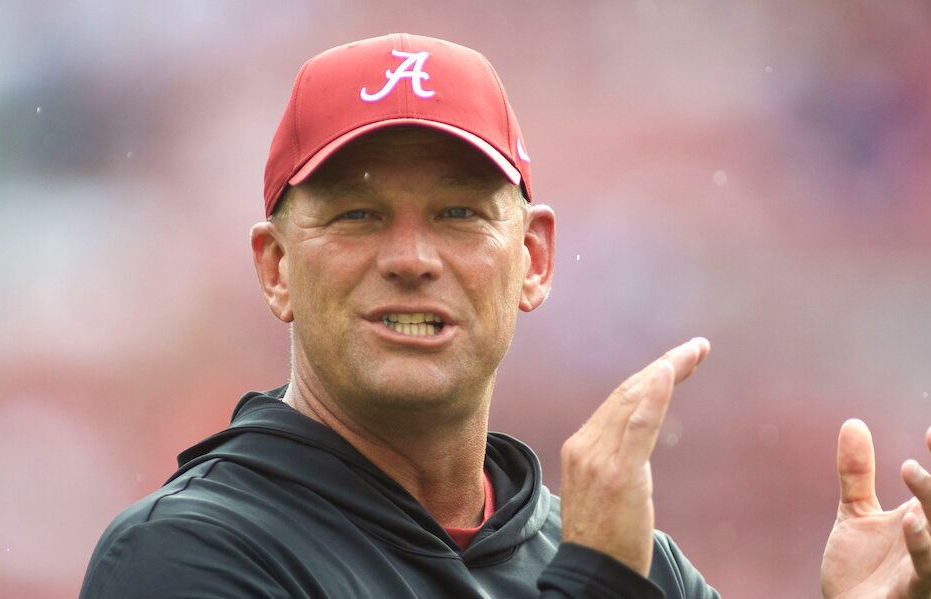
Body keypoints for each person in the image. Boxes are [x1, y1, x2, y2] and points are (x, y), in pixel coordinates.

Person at [79, 33, 931, 598]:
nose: (411, 257)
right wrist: (596, 578)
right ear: (276, 268)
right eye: (357, 216)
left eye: (457, 214)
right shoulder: (182, 557)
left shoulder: (637, 562)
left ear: (534, 259)